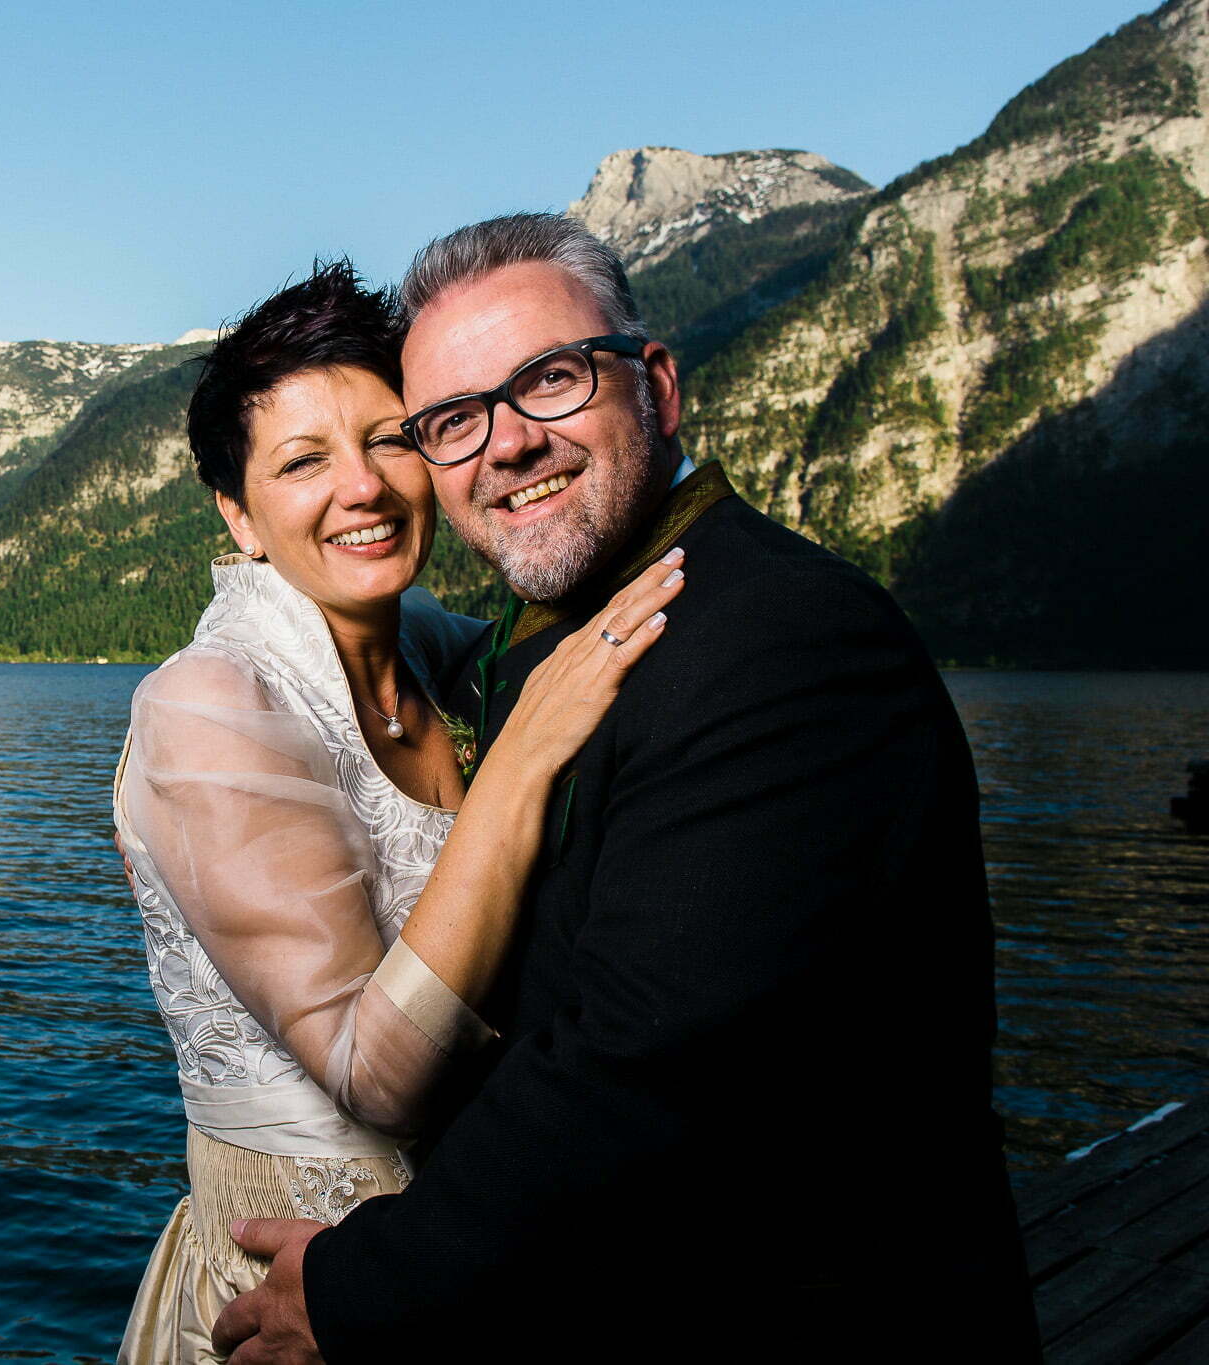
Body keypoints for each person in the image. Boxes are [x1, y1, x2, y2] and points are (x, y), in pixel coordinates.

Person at [211, 214, 1039, 1362]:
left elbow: (641, 1075)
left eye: (547, 380)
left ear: (654, 386)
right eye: (452, 419)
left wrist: (355, 1287)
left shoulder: (781, 643)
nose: (503, 445)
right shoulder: (576, 631)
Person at [113, 261, 690, 1364]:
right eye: (300, 463)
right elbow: (367, 1077)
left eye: (388, 439)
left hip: (478, 1264)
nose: (363, 488)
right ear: (237, 515)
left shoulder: (427, 643)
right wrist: (516, 769)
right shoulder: (208, 705)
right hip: (295, 1298)